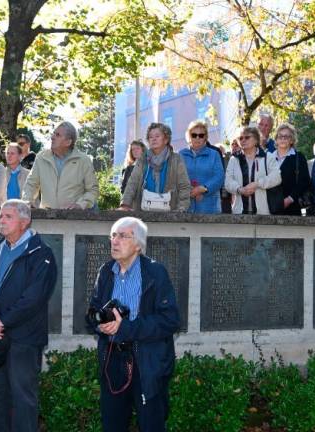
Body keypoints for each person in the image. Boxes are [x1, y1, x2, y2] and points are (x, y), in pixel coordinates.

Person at [88, 217, 180, 432]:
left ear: (138, 245)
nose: (115, 241)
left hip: (146, 361)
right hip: (112, 360)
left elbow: (170, 320)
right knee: (112, 424)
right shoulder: (105, 271)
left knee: (151, 425)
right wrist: (100, 324)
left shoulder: (155, 273)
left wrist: (126, 328)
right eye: (113, 235)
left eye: (122, 236)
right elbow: (92, 311)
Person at [0, 199, 57, 432]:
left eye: (7, 216)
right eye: (0, 216)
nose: (1, 220)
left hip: (24, 339)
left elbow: (34, 298)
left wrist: (2, 322)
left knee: (23, 399)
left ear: (24, 221)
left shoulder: (42, 253)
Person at [22, 121, 99, 209]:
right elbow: (31, 184)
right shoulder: (41, 158)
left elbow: (93, 190)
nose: (52, 137)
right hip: (47, 218)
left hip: (74, 218)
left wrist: (81, 205)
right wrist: (27, 202)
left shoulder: (83, 161)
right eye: (53, 133)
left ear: (68, 142)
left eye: (57, 135)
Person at [119, 123, 191, 212]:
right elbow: (132, 183)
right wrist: (125, 205)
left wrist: (182, 208)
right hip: (143, 211)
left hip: (170, 213)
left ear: (166, 139)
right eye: (150, 137)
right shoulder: (142, 159)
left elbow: (184, 186)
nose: (153, 139)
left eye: (157, 136)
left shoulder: (176, 159)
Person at [224, 126, 282, 215]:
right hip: (239, 212)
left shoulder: (268, 157)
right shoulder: (234, 159)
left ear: (256, 140)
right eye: (240, 138)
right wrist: (239, 189)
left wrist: (257, 184)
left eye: (247, 137)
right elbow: (228, 182)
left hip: (263, 212)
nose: (243, 140)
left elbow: (277, 177)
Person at [179, 120, 224, 214]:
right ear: (189, 136)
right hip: (186, 206)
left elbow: (219, 177)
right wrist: (190, 190)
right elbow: (176, 177)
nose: (197, 138)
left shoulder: (214, 154)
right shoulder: (181, 154)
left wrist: (203, 188)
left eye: (201, 135)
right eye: (194, 135)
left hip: (209, 207)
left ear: (205, 137)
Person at [272, 123, 310, 215]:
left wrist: (290, 199)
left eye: (287, 136)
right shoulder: (268, 158)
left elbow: (304, 181)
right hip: (270, 206)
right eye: (280, 136)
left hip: (292, 206)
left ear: (292, 140)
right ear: (276, 139)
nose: (283, 139)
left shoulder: (299, 157)